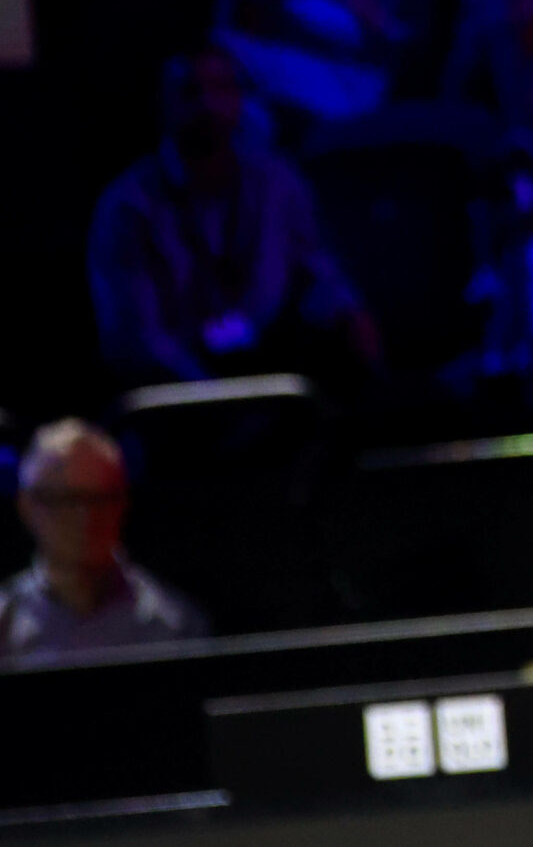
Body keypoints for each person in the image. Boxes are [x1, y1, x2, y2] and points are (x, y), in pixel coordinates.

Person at [87, 45, 381, 389]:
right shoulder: (129, 207)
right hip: (178, 391)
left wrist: (351, 314)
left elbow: (319, 269)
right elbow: (135, 341)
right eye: (191, 92)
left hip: (271, 368)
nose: (208, 105)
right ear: (164, 105)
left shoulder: (276, 183)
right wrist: (213, 395)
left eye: (222, 89)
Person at [3, 420, 206, 659]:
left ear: (123, 504)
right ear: (27, 507)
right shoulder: (4, 627)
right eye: (67, 499)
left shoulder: (174, 625)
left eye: (99, 499)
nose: (85, 517)